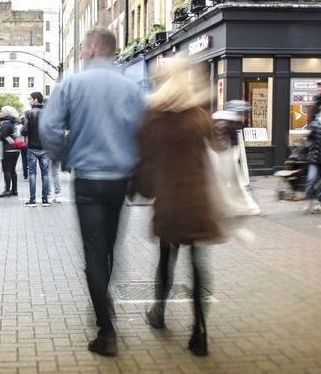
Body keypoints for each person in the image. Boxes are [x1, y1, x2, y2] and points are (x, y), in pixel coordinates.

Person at [39, 27, 144, 357]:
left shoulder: (72, 83)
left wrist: (66, 155)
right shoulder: (131, 89)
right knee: (110, 248)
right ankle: (104, 304)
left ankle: (106, 329)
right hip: (119, 181)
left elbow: (48, 128)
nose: (82, 51)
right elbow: (144, 134)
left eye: (84, 45)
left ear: (95, 47)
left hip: (88, 179)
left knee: (93, 252)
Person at [135, 59, 219, 357]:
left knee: (166, 259)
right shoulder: (199, 115)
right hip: (198, 200)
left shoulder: (153, 117)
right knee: (198, 265)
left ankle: (158, 312)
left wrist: (146, 190)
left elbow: (144, 164)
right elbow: (214, 148)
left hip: (170, 200)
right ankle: (200, 331)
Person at [22, 91, 51, 207]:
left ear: (35, 100)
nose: (29, 101)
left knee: (32, 174)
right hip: (45, 148)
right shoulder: (48, 113)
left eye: (30, 99)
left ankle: (32, 200)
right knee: (45, 174)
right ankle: (45, 200)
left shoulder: (29, 113)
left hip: (32, 148)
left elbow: (24, 130)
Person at [0, 106, 22, 198]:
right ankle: (14, 189)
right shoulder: (14, 122)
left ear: (6, 113)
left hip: (7, 149)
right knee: (12, 170)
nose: (1, 113)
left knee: (6, 170)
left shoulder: (6, 123)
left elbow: (2, 136)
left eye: (2, 112)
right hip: (15, 149)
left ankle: (7, 190)